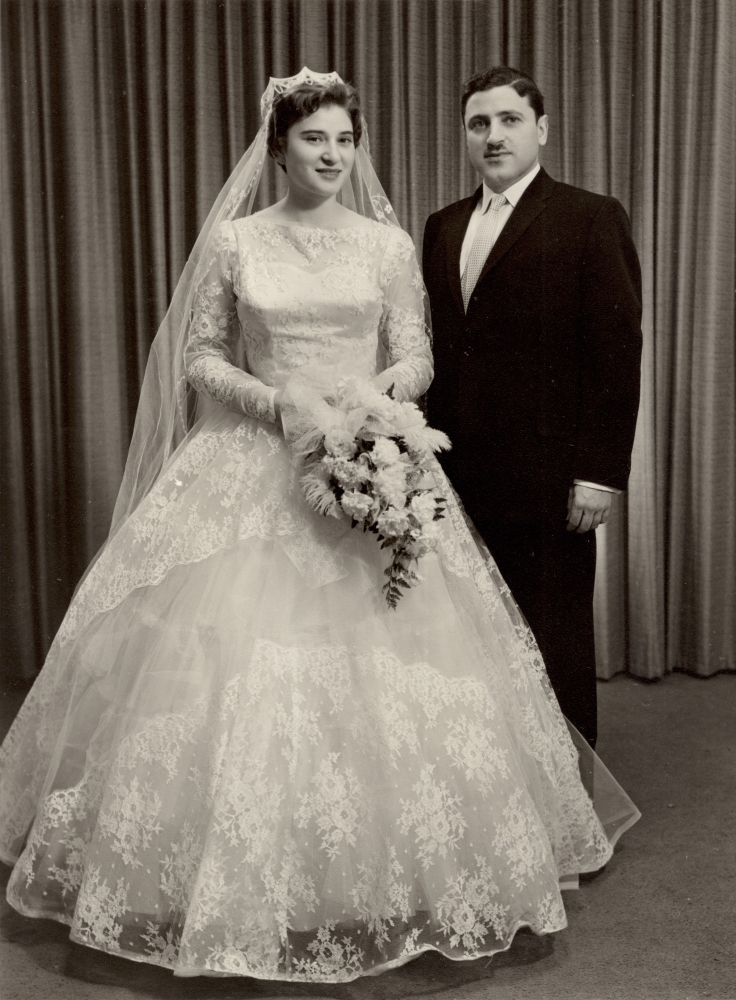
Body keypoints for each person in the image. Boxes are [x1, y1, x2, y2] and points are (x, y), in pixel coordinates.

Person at [0, 69, 638, 984]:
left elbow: (415, 354)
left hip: (364, 457)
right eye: (315, 141)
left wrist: (369, 405)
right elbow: (201, 355)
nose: (332, 155)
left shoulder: (385, 245)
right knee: (223, 665)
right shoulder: (235, 240)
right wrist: (278, 402)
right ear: (280, 147)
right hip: (247, 471)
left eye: (345, 139)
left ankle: (390, 869)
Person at [423, 67, 643, 749]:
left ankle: (575, 804)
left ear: (541, 130)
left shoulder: (589, 216)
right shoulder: (442, 226)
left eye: (509, 121)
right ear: (464, 135)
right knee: (467, 639)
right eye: (478, 124)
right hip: (458, 477)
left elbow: (616, 354)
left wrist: (599, 475)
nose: (493, 136)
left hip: (550, 479)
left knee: (556, 641)